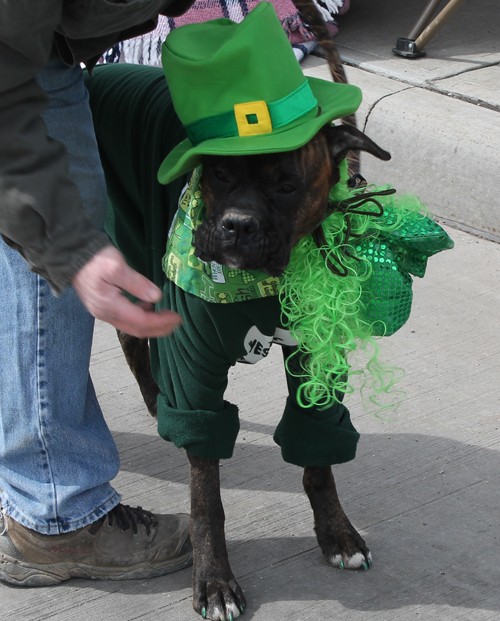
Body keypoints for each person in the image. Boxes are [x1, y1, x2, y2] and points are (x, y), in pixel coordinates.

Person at [0, 1, 197, 587]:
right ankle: (56, 516)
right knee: (46, 251)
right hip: (16, 66)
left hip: (32, 46)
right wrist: (66, 243)